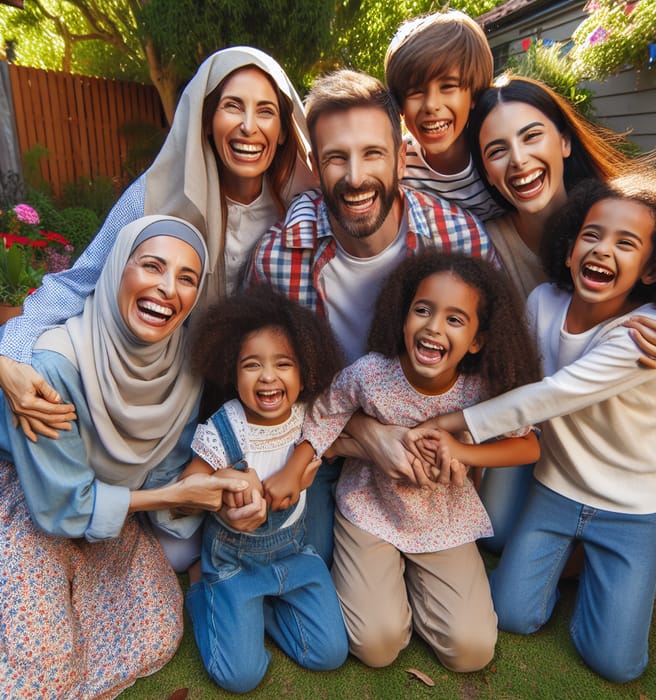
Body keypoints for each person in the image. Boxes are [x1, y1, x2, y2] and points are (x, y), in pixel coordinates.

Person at [407, 174, 656, 682]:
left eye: (625, 243)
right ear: (568, 251)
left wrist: (451, 424)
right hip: (558, 488)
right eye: (592, 235)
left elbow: (551, 395)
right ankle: (582, 557)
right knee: (514, 614)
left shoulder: (645, 330)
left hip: (632, 506)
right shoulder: (543, 301)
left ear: (651, 268)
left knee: (617, 664)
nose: (603, 250)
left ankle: (610, 569)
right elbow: (514, 380)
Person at [0, 45, 315, 441]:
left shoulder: (303, 208)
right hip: (175, 397)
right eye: (232, 106)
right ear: (205, 120)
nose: (248, 126)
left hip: (268, 396)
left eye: (266, 111)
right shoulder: (155, 196)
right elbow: (79, 281)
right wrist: (8, 352)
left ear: (284, 129)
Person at [247, 69, 494, 564]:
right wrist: (365, 435)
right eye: (337, 157)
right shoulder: (281, 256)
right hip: (323, 437)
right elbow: (264, 380)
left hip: (434, 440)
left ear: (403, 157)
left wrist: (453, 447)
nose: (356, 177)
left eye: (373, 153)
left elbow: (492, 363)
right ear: (316, 166)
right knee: (295, 550)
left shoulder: (457, 240)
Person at [0, 216, 251, 697]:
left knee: (157, 624)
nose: (167, 288)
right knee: (43, 668)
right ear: (118, 268)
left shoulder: (182, 363)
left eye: (186, 278)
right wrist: (172, 496)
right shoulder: (53, 367)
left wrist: (217, 492)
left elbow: (167, 468)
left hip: (106, 502)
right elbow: (62, 506)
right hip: (32, 500)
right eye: (152, 265)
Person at [465, 75, 656, 576]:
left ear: (564, 140)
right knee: (496, 531)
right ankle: (567, 546)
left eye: (532, 136)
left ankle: (604, 545)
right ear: (484, 168)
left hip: (612, 434)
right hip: (533, 423)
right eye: (496, 150)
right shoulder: (487, 243)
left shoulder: (626, 222)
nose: (519, 161)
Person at [268, 251, 540, 671]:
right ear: (403, 317)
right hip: (370, 509)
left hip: (443, 517)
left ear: (477, 340)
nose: (433, 328)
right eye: (423, 311)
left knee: (471, 652)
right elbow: (324, 414)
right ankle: (389, 597)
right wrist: (292, 468)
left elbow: (527, 446)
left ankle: (419, 587)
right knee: (377, 646)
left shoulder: (482, 390)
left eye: (454, 319)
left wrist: (464, 451)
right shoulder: (370, 375)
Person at [178, 286, 347, 693]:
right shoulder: (227, 426)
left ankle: (256, 612)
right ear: (232, 374)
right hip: (234, 562)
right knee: (240, 677)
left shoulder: (309, 416)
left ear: (304, 371)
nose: (268, 376)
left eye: (283, 364)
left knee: (328, 653)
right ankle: (204, 592)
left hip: (294, 553)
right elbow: (186, 489)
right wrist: (227, 487)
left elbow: (339, 420)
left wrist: (298, 465)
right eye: (252, 365)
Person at [384, 9, 501, 221]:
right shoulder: (397, 168)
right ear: (399, 104)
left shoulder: (497, 155)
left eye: (448, 86)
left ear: (474, 94)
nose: (431, 105)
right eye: (415, 91)